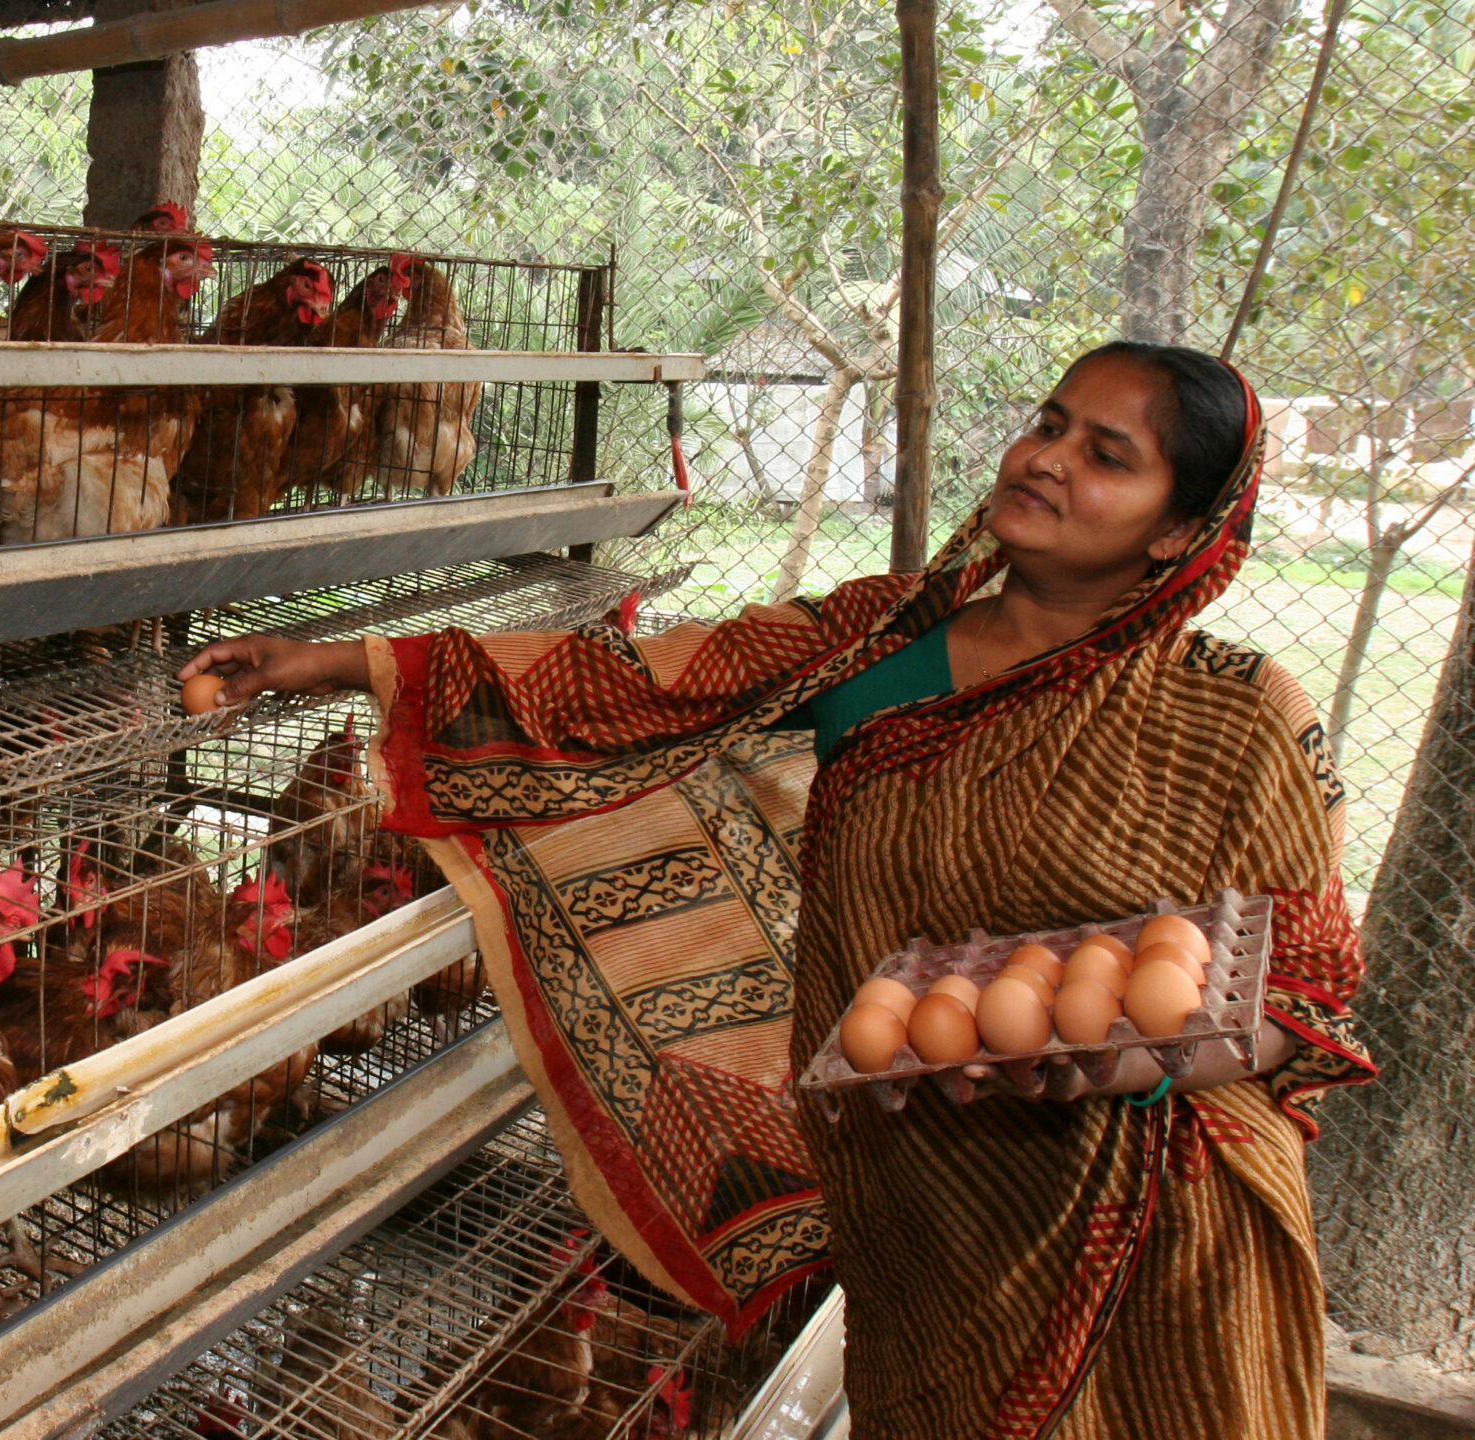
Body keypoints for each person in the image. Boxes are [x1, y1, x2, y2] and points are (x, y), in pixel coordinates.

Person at [181, 342, 1374, 1439]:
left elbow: (1305, 986)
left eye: (1106, 456)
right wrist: (329, 660)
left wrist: (1114, 1048)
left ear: (1180, 532)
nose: (1044, 459)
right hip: (930, 1202)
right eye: (1048, 423)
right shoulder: (884, 634)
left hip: (1161, 1211)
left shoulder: (1240, 716)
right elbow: (629, 689)